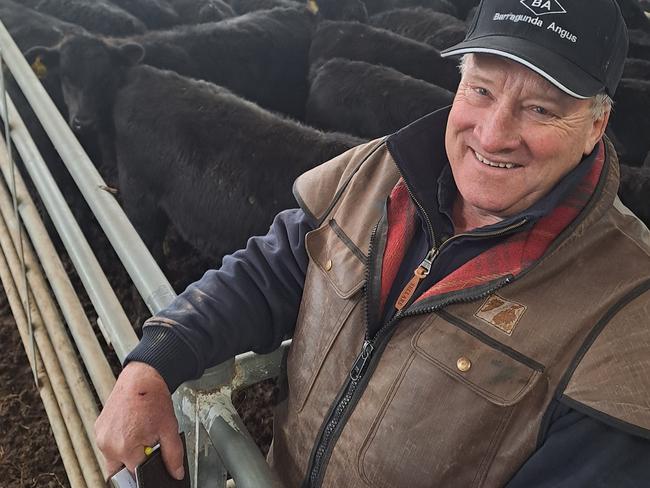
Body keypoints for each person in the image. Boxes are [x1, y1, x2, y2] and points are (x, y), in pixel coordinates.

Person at [95, 0, 650, 486]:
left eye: (540, 109)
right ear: (457, 84)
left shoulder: (624, 315)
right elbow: (269, 270)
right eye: (481, 89)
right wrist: (153, 363)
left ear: (595, 126)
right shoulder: (379, 172)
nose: (493, 132)